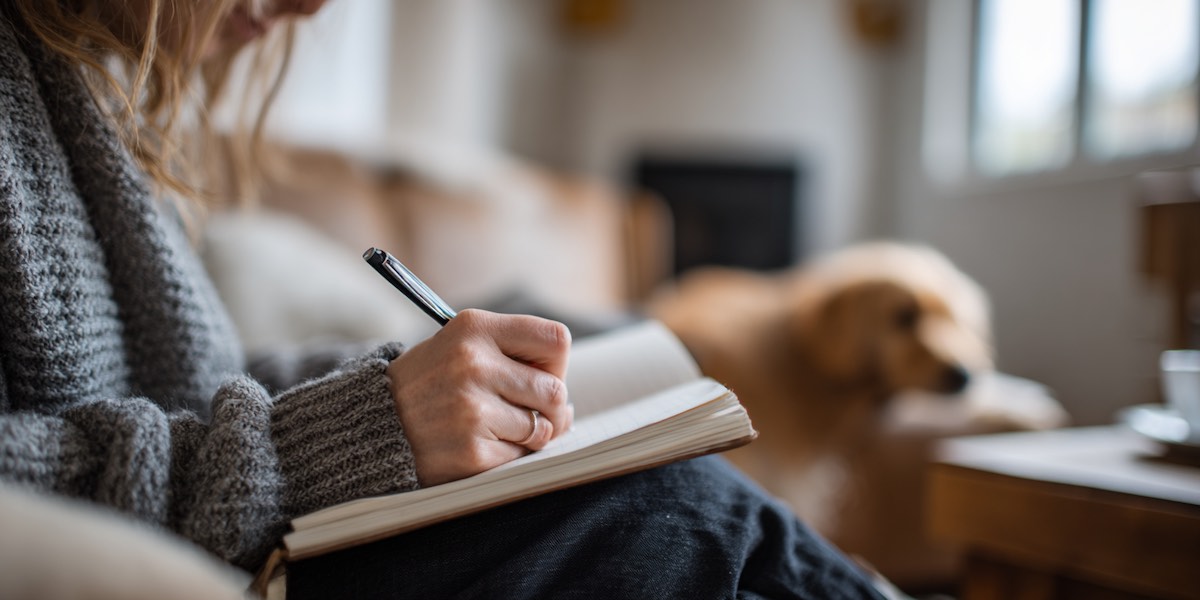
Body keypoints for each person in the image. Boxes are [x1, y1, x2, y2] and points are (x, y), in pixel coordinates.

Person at [0, 1, 886, 598]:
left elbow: (191, 382)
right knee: (678, 512)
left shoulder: (88, 99)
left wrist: (388, 387)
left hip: (231, 514)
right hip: (231, 553)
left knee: (660, 467)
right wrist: (362, 431)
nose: (312, 7)